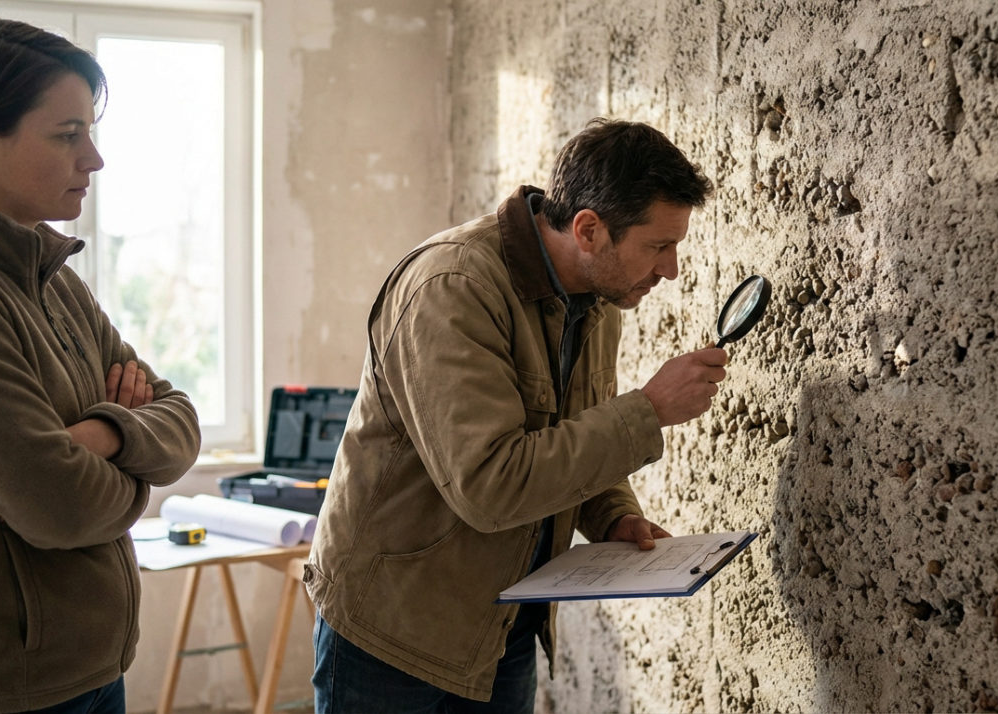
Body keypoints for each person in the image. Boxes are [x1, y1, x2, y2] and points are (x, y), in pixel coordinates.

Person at [305, 119, 723, 712]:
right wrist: (649, 411)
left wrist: (613, 517)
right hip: (394, 632)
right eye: (658, 246)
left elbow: (570, 437)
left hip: (503, 625)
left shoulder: (601, 302)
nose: (671, 269)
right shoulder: (451, 288)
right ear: (588, 229)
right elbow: (491, 485)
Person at [0, 15, 200, 713]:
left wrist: (99, 435)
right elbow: (58, 507)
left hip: (91, 670)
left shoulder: (52, 271)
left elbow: (181, 419)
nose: (93, 159)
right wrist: (128, 461)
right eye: (68, 135)